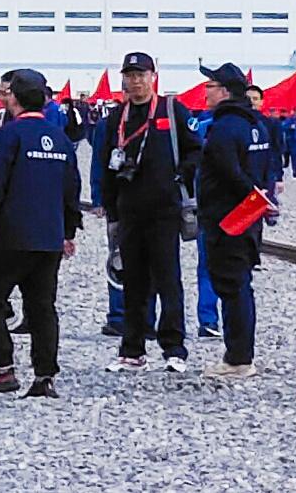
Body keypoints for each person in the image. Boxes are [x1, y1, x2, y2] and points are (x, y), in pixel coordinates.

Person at [0, 69, 79, 398]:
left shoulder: (8, 136)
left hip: (12, 234)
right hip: (50, 236)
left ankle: (2, 368)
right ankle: (45, 376)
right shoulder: (60, 138)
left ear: (12, 98)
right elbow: (72, 188)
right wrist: (68, 230)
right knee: (42, 305)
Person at [94, 51, 194, 372]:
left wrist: (179, 177)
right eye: (130, 75)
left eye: (141, 75)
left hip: (164, 211)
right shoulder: (116, 117)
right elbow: (104, 165)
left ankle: (174, 349)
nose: (135, 81)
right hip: (129, 212)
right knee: (133, 283)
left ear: (153, 76)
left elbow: (196, 150)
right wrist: (110, 209)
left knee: (168, 280)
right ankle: (132, 349)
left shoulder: (170, 110)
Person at [192, 65, 268, 380]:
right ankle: (240, 352)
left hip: (228, 220)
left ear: (224, 91)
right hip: (249, 217)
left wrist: (247, 197)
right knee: (241, 286)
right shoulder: (256, 125)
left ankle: (238, 358)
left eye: (210, 85)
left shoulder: (224, 128)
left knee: (232, 287)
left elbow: (229, 172)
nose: (205, 91)